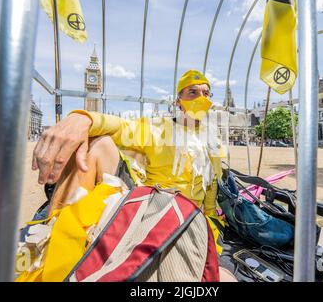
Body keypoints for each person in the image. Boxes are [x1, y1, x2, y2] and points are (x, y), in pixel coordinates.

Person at [32, 69, 235, 281]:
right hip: (155, 210)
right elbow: (120, 127)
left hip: (192, 220)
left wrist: (210, 244)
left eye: (206, 93)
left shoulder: (213, 143)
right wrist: (83, 119)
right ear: (179, 101)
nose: (201, 99)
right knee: (99, 143)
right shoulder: (159, 129)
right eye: (193, 92)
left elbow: (209, 205)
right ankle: (51, 247)